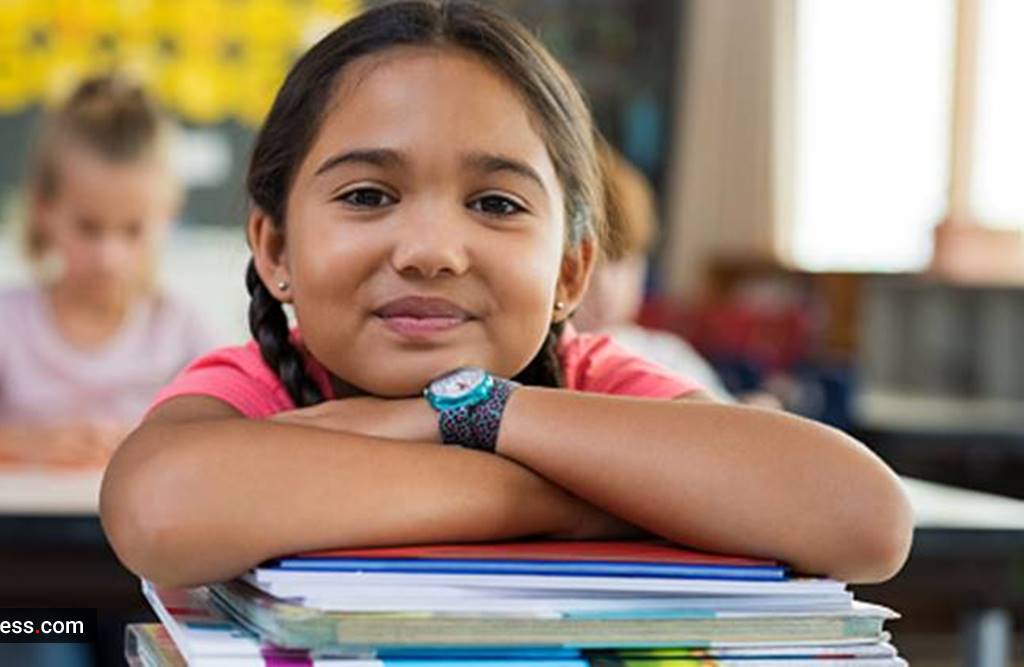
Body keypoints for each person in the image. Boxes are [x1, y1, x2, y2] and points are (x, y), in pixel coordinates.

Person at [100, 0, 911, 589]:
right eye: (368, 196)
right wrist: (589, 499)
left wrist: (475, 412)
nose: (430, 252)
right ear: (275, 248)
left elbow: (865, 519)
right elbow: (160, 506)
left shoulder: (596, 380)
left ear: (570, 272)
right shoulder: (259, 390)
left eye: (496, 204)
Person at [0, 74, 216, 467]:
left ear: (167, 218)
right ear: (44, 211)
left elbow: (240, 436)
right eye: (88, 228)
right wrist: (29, 445)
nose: (108, 257)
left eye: (133, 230)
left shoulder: (180, 326)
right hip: (20, 526)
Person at [571, 138, 734, 401]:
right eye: (588, 264)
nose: (605, 287)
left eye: (621, 261)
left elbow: (731, 421)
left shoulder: (666, 355)